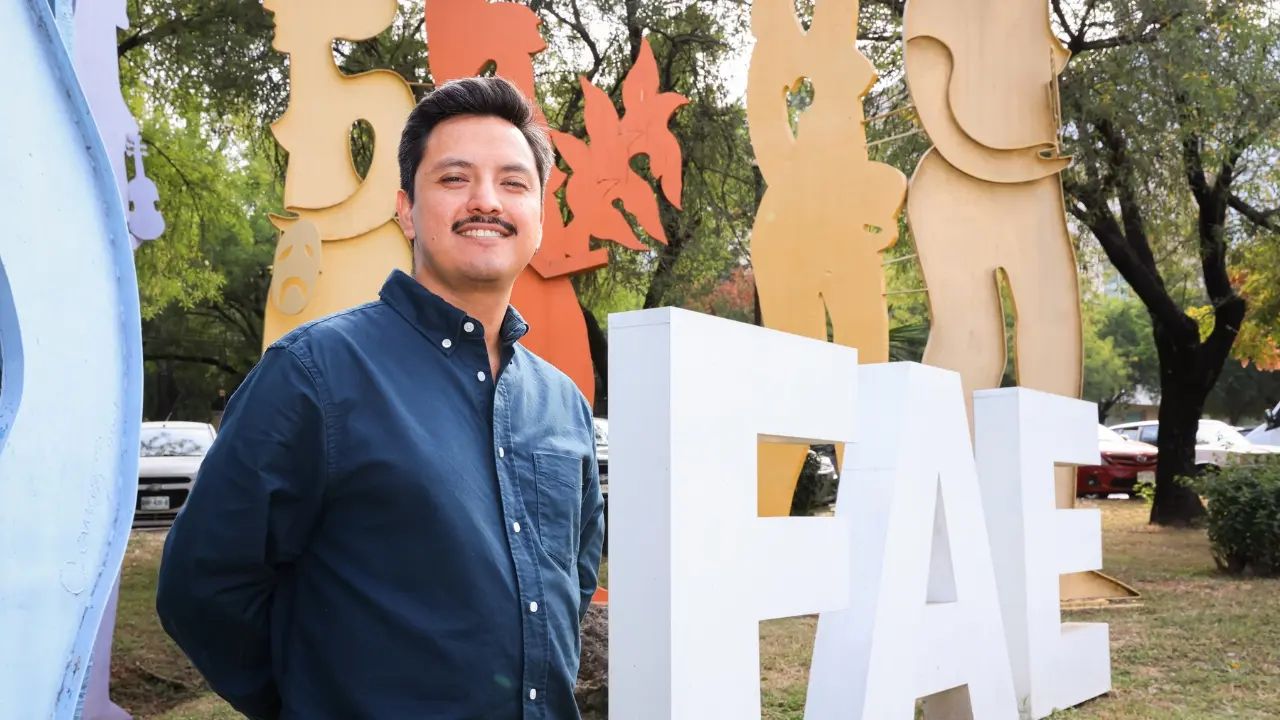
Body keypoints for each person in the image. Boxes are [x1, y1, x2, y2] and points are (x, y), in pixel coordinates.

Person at [155, 76, 605, 720]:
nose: (486, 201)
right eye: (454, 179)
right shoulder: (314, 374)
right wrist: (310, 698)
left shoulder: (562, 402)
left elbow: (572, 580)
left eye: (513, 183)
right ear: (405, 208)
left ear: (539, 215)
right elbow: (203, 585)